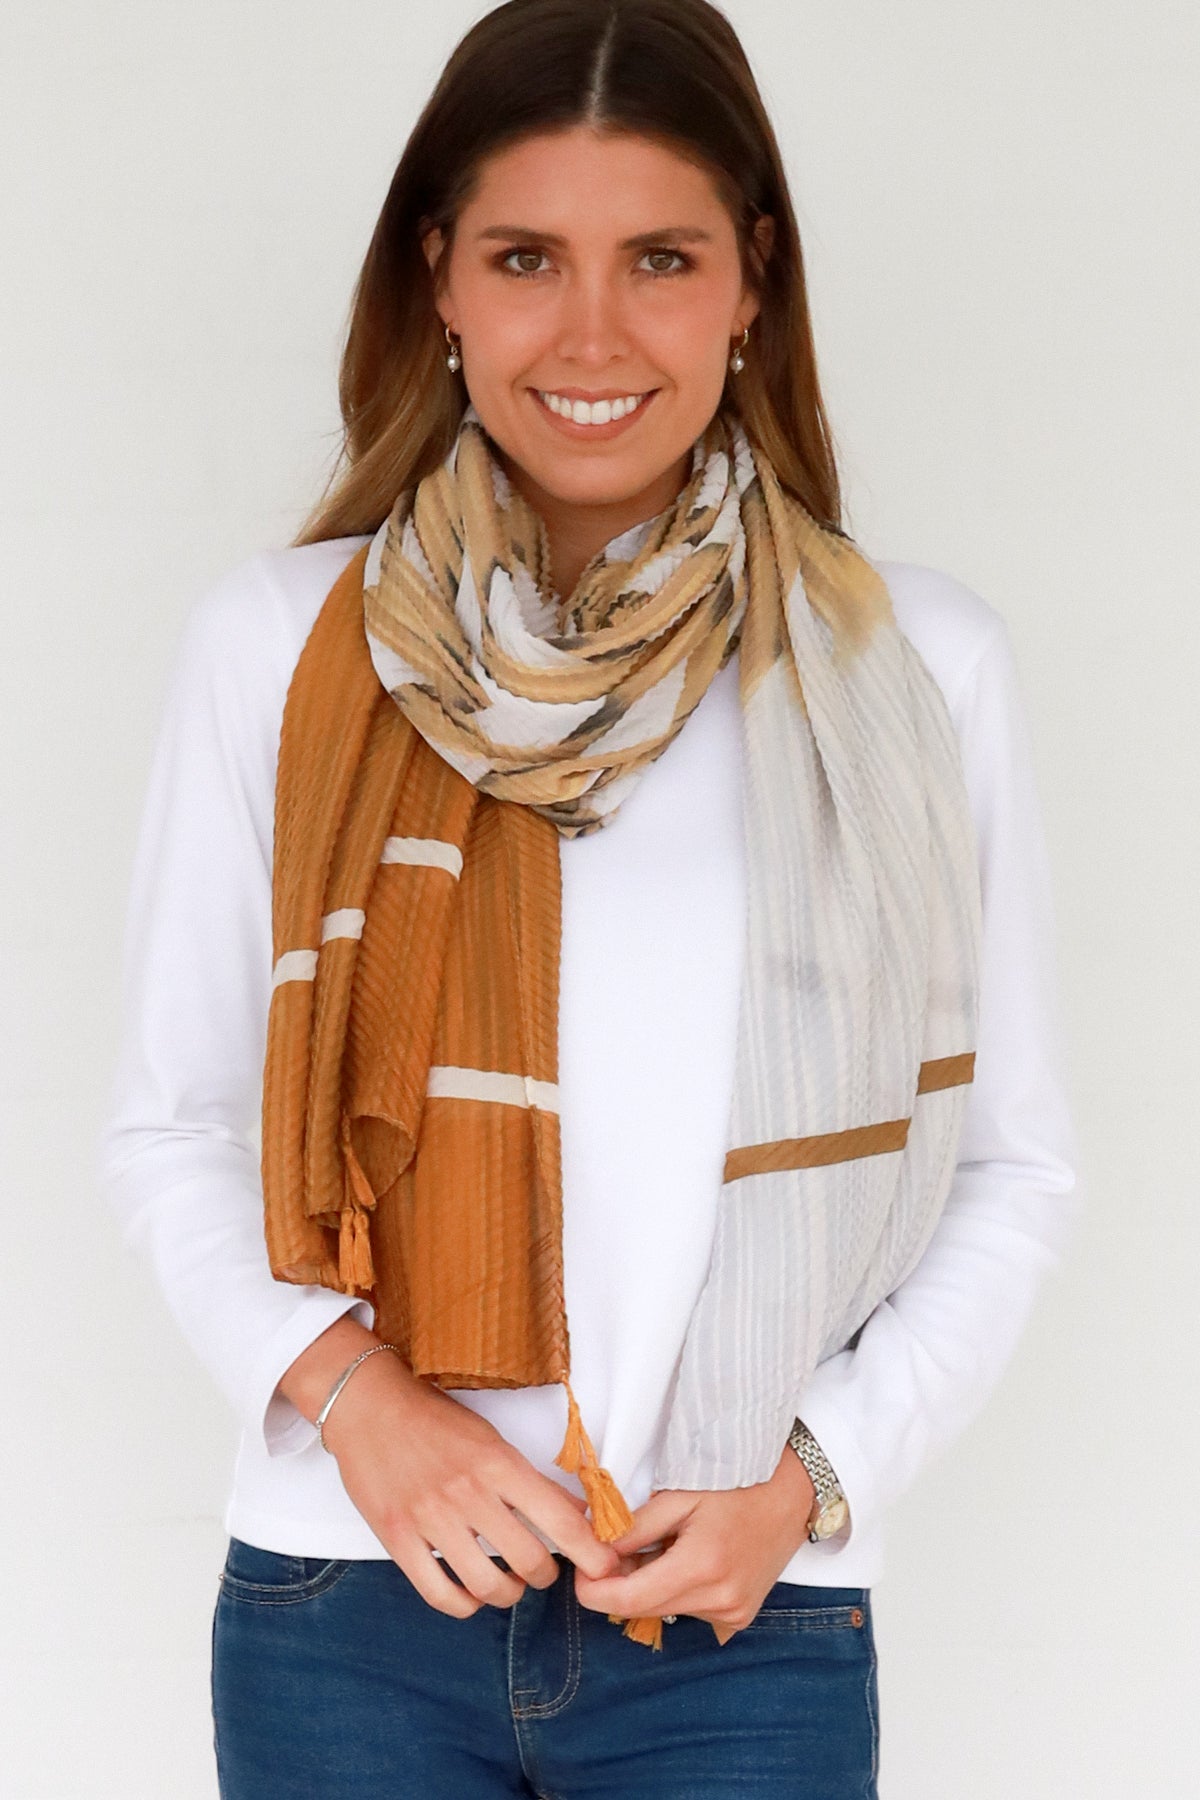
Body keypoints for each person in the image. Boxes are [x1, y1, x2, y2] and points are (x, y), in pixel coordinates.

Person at [96, 1, 1081, 1794]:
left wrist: (812, 1478)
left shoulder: (913, 670)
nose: (595, 333)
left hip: (743, 1617)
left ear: (752, 281)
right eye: (528, 257)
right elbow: (173, 1131)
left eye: (663, 259)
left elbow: (1013, 1169)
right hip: (350, 1597)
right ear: (441, 281)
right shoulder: (282, 648)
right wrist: (364, 1413)